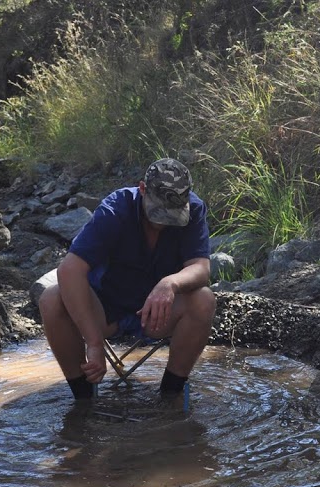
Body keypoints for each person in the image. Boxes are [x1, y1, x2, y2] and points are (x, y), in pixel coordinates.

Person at [39, 158, 216, 399]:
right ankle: (83, 399)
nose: (162, 224)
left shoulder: (194, 209)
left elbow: (201, 268)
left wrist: (169, 283)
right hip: (105, 310)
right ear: (142, 189)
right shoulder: (116, 209)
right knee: (51, 298)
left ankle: (170, 397)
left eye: (171, 215)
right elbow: (70, 271)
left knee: (203, 299)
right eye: (157, 213)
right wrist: (93, 343)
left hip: (156, 315)